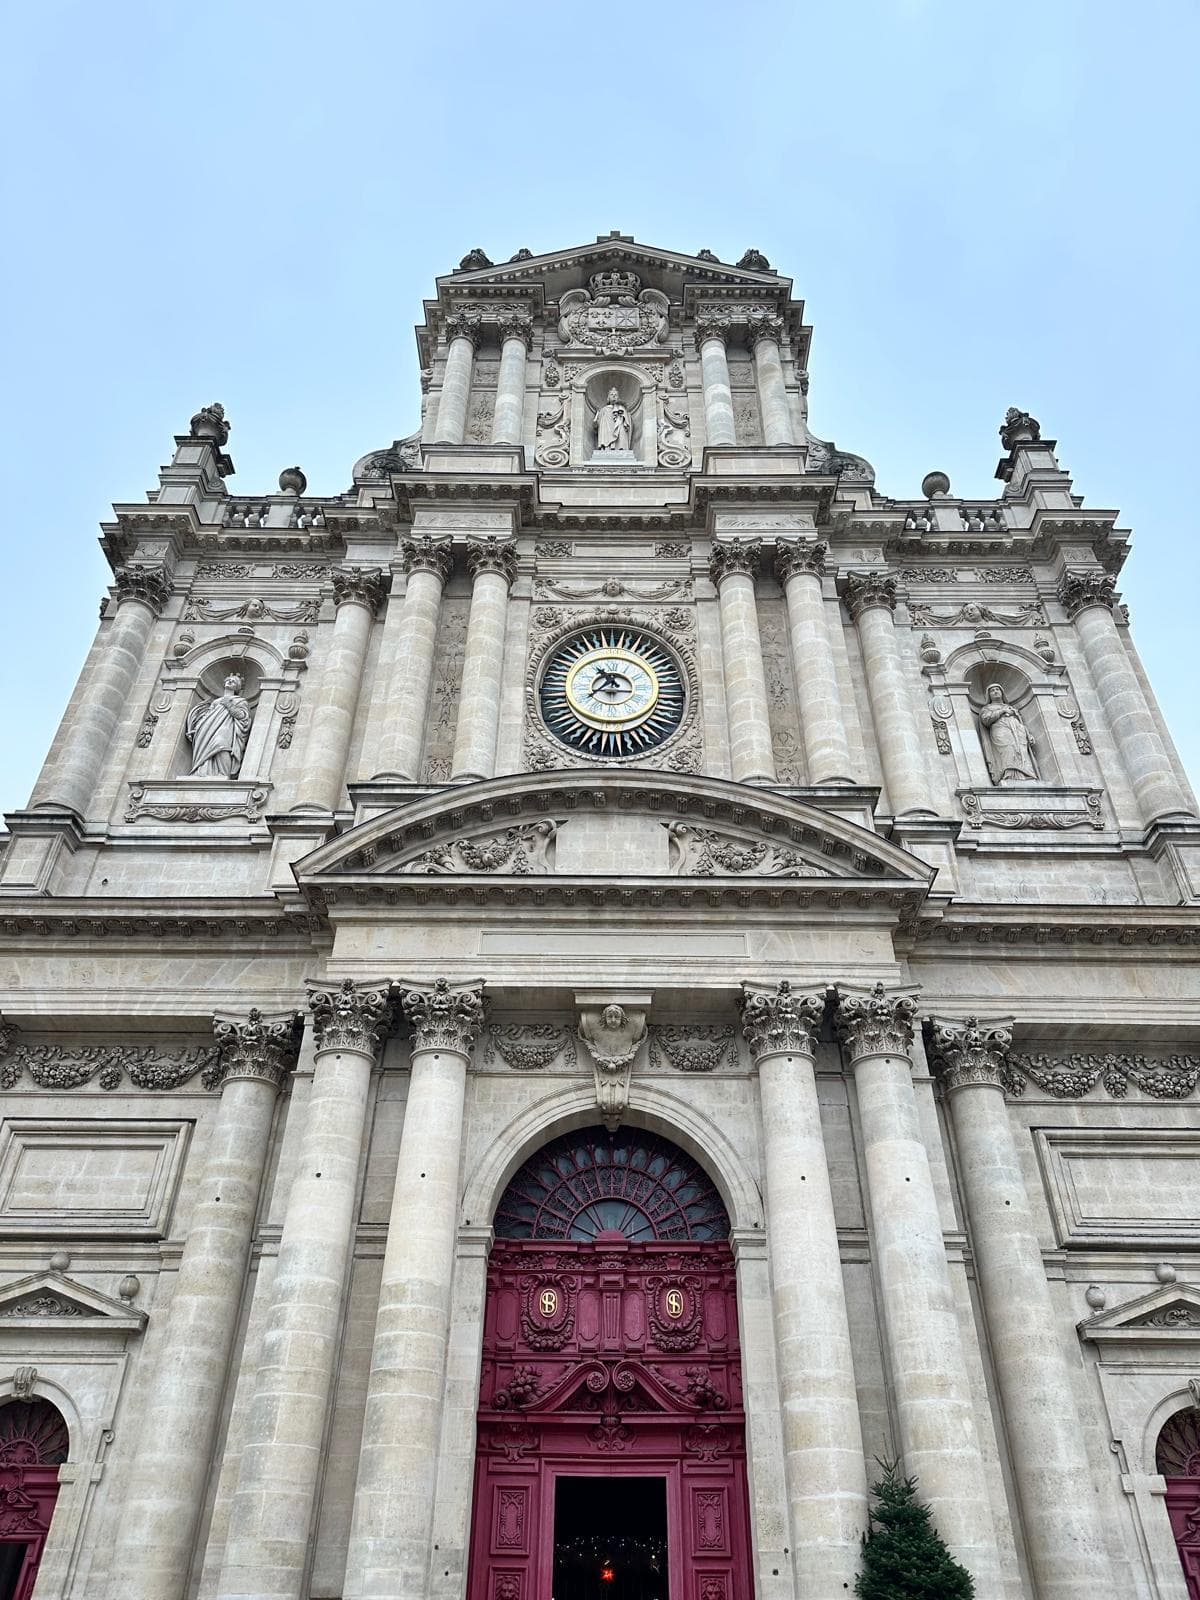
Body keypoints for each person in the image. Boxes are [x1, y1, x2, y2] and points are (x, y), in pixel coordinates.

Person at [186, 672, 252, 777]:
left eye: (234, 682)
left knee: (220, 743)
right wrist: (197, 728)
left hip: (226, 727)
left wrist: (229, 704)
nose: (230, 682)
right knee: (208, 747)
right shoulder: (216, 701)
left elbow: (243, 716)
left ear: (237, 688)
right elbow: (207, 716)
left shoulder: (240, 701)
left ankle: (224, 774)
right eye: (229, 680)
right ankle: (204, 771)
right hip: (209, 729)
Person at [979, 683, 1037, 782]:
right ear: (989, 695)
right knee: (1008, 749)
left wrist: (1028, 734)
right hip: (1001, 730)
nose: (995, 692)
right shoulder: (987, 708)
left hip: (1018, 732)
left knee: (1021, 751)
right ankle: (1009, 775)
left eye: (997, 689)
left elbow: (1020, 722)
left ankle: (1025, 775)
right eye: (992, 691)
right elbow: (985, 719)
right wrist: (1002, 711)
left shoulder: (1011, 707)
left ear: (1002, 692)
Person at [594, 388, 632, 452]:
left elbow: (627, 422)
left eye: (615, 395)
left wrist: (624, 415)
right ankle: (607, 447)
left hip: (619, 427)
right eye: (612, 394)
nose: (614, 396)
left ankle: (620, 447)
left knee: (621, 428)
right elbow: (598, 424)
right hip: (606, 430)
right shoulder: (604, 409)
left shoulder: (621, 408)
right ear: (608, 398)